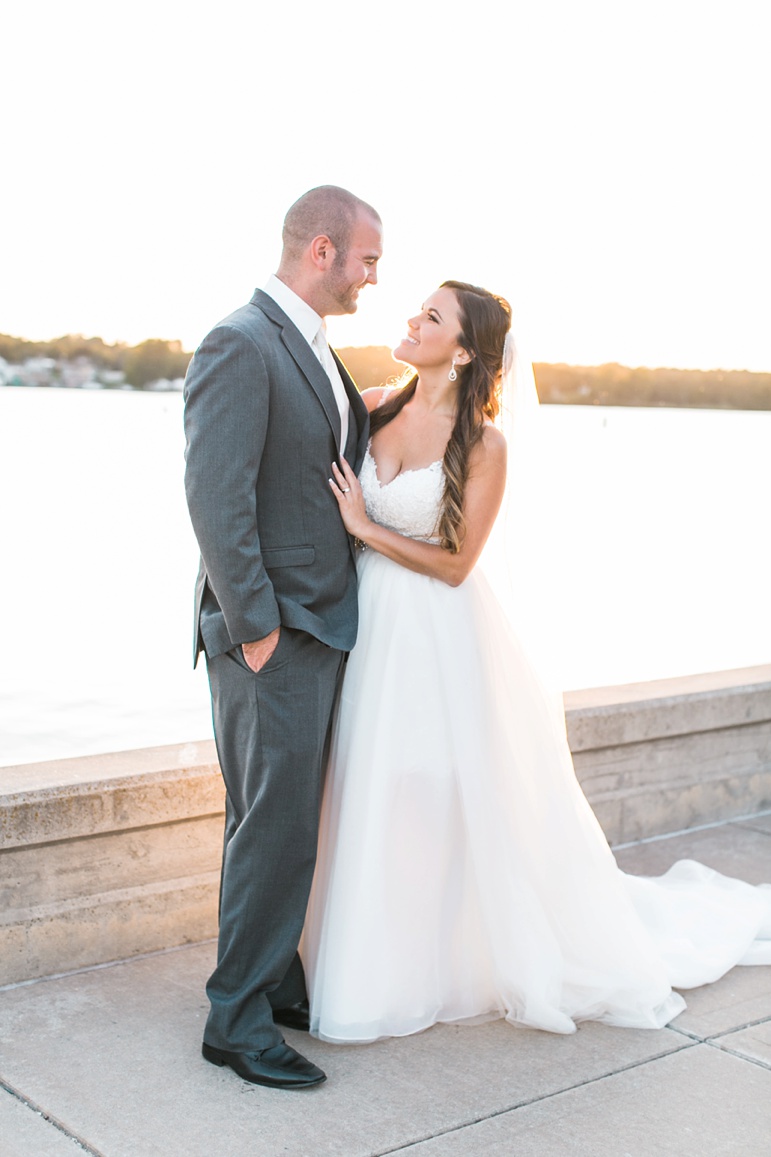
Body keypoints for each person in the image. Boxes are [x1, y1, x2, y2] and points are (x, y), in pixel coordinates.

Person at [300, 280, 771, 1043]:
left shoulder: (485, 445)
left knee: (433, 790)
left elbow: (455, 564)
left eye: (430, 317)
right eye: (417, 308)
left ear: (460, 351)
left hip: (437, 633)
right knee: (367, 785)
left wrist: (361, 523)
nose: (411, 320)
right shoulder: (378, 404)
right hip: (369, 631)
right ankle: (359, 950)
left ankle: (443, 959)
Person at [183, 186, 382, 1087]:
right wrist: (256, 628)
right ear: (323, 251)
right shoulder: (240, 342)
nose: (373, 279)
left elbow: (319, 452)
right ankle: (238, 1020)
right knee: (274, 826)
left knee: (275, 820)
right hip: (275, 631)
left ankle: (275, 981)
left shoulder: (312, 350)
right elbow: (215, 500)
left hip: (315, 625)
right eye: (367, 262)